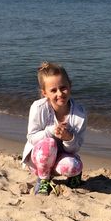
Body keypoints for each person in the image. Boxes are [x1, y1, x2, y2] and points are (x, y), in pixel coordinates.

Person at [22, 62, 87, 195]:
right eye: (53, 90)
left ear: (70, 86)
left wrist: (69, 138)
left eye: (63, 88)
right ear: (44, 93)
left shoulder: (79, 113)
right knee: (49, 143)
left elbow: (75, 148)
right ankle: (44, 180)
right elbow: (31, 137)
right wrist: (50, 131)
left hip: (62, 156)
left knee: (74, 166)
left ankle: (74, 177)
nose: (60, 93)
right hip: (39, 160)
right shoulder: (38, 108)